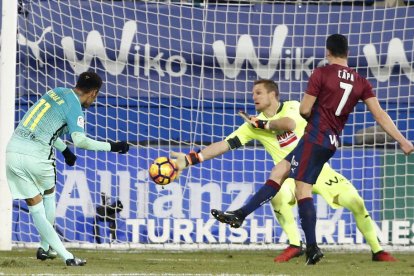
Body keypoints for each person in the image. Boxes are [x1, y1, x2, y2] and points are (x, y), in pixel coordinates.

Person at [211, 34, 413, 265]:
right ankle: (240, 214)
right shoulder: (361, 81)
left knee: (301, 189)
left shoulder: (322, 73)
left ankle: (313, 247)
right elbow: (379, 114)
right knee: (279, 170)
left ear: (328, 51)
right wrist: (402, 140)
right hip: (329, 140)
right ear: (347, 53)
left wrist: (301, 116)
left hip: (316, 136)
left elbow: (305, 110)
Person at [171, 78, 401, 263]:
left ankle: (377, 250)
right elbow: (223, 145)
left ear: (273, 94)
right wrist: (191, 159)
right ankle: (295, 244)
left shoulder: (292, 107)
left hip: (319, 169)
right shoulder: (251, 125)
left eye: (258, 92)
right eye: (253, 94)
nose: (254, 97)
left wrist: (263, 125)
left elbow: (289, 124)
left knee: (355, 202)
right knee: (278, 195)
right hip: (289, 174)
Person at [5, 71, 129, 266]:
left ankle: (47, 250)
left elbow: (42, 127)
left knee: (35, 207)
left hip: (12, 152)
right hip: (37, 156)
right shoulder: (75, 108)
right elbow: (81, 141)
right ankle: (58, 252)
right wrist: (113, 147)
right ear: (94, 93)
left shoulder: (56, 92)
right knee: (49, 194)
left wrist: (64, 151)